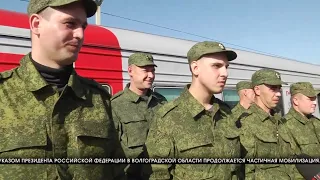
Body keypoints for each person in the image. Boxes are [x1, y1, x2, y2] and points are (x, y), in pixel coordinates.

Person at [0, 0, 124, 179]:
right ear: (37, 24)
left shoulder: (98, 99)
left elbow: (116, 170)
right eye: (70, 24)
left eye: (83, 26)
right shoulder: (4, 94)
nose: (80, 34)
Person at [145, 41, 241, 179]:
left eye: (226, 67)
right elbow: (159, 175)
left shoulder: (226, 112)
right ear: (195, 68)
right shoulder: (168, 117)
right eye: (216, 66)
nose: (225, 73)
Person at [111, 53, 167, 179]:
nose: (151, 76)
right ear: (130, 71)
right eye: (145, 70)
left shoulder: (161, 102)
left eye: (153, 71)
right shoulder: (115, 105)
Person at [240, 68, 290, 179]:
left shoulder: (279, 120)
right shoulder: (246, 122)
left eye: (279, 89)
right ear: (257, 90)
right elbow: (246, 170)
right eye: (273, 88)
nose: (278, 94)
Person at [279, 82, 320, 179]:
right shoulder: (285, 126)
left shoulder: (316, 122)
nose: (314, 102)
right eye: (310, 99)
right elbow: (289, 164)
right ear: (296, 101)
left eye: (314, 99)